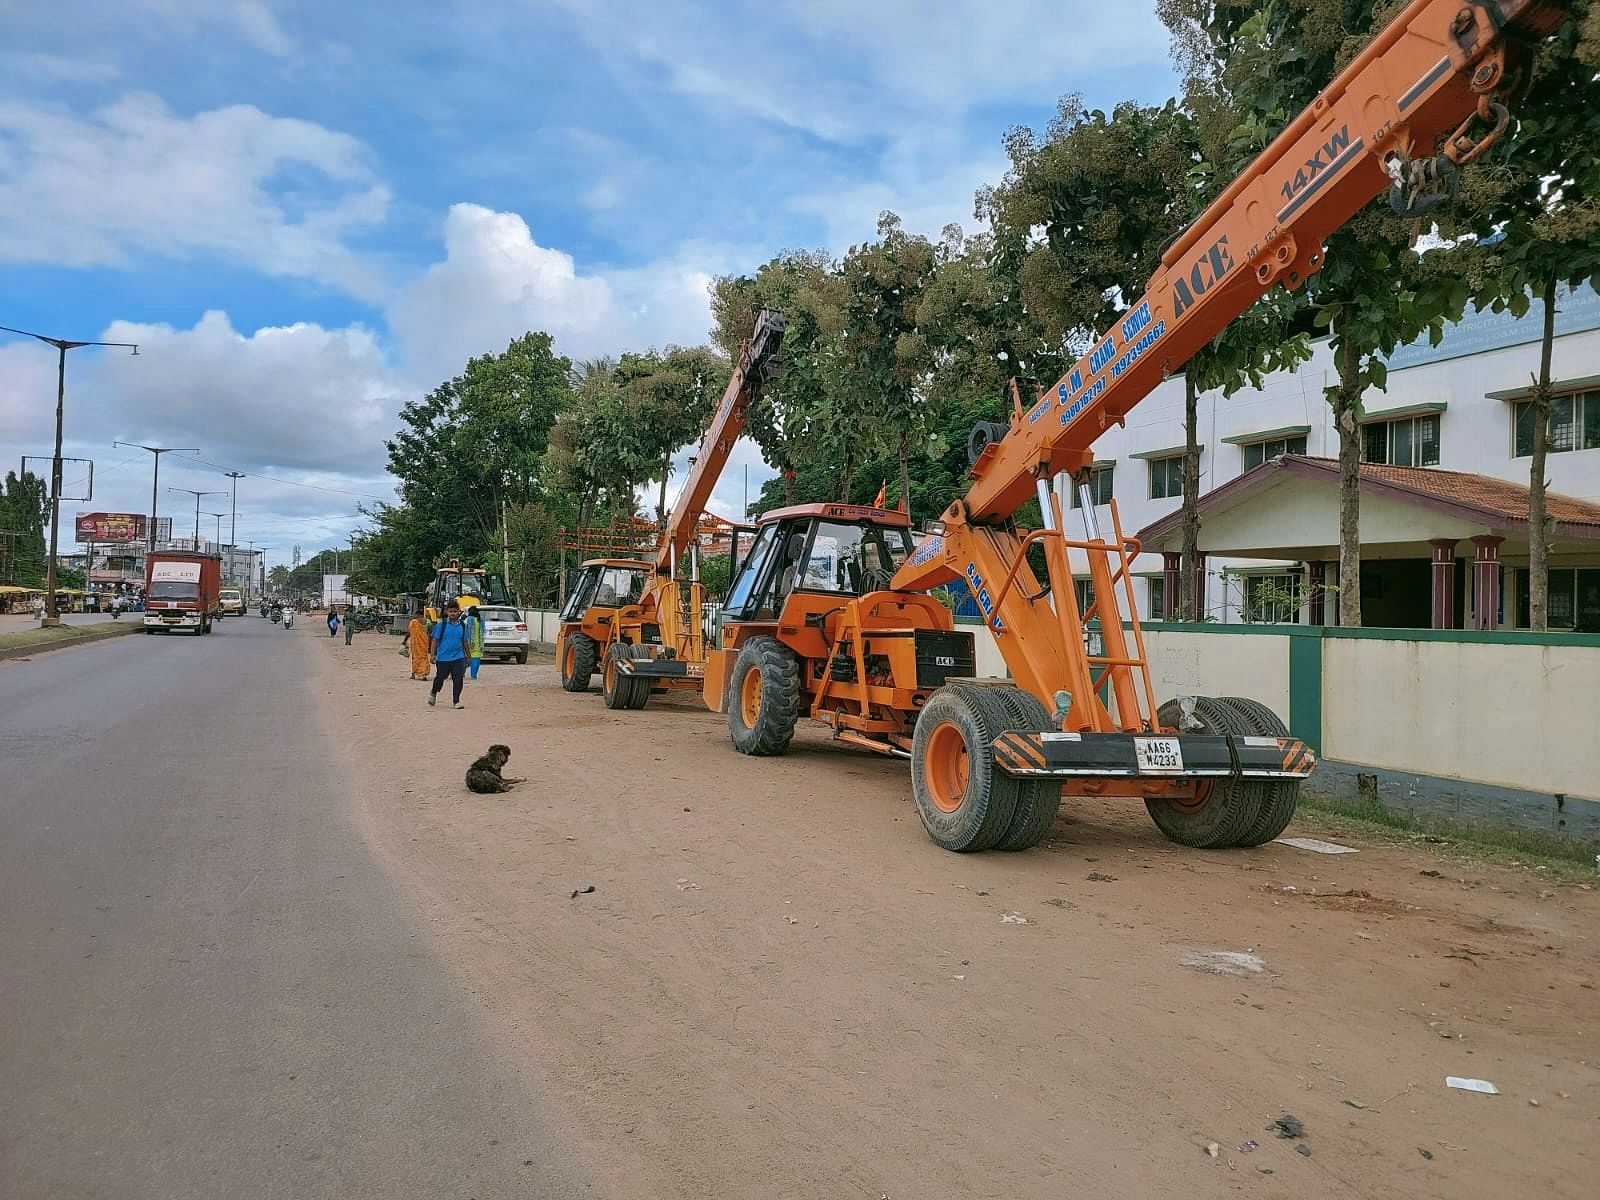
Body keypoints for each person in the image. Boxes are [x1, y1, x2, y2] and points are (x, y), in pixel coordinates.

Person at [428, 599, 471, 709]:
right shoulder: (441, 626)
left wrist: (468, 656)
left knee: (458, 679)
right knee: (440, 678)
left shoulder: (462, 625)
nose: (453, 613)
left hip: (458, 657)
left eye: (455, 611)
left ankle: (456, 701)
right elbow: (435, 641)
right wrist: (432, 655)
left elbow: (465, 641)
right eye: (450, 611)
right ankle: (434, 692)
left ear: (459, 612)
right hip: (443, 658)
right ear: (447, 612)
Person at [404, 614, 431, 679]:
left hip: (415, 643)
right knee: (424, 658)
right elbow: (430, 633)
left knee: (415, 658)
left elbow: (409, 633)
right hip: (424, 642)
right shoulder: (428, 622)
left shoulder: (413, 622)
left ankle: (413, 674)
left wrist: (405, 640)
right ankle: (424, 675)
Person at [464, 604, 484, 679]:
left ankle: (462, 673)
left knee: (465, 658)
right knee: (476, 659)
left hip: (468, 643)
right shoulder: (480, 620)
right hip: (478, 643)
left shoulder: (467, 620)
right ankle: (474, 675)